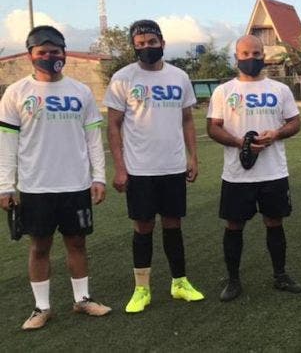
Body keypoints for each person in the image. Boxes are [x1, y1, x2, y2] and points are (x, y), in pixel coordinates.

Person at [0, 25, 111, 330]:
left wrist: (98, 178)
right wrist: (6, 186)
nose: (49, 56)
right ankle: (41, 307)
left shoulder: (80, 91)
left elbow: (92, 138)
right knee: (39, 246)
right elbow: (6, 143)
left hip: (75, 184)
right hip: (36, 186)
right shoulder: (16, 92)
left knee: (77, 243)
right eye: (42, 52)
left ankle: (83, 299)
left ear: (63, 52)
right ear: (30, 55)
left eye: (55, 51)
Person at [104, 20, 203, 313]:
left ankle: (180, 282)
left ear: (162, 41)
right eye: (140, 44)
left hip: (172, 166)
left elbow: (187, 120)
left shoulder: (179, 76)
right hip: (139, 169)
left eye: (151, 42)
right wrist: (120, 168)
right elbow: (113, 125)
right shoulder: (123, 78)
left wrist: (192, 157)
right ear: (134, 46)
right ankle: (142, 289)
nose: (146, 47)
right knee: (143, 226)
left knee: (173, 224)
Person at [207, 35, 301, 300]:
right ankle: (233, 280)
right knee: (234, 225)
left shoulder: (279, 90)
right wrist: (239, 142)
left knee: (275, 222)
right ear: (237, 56)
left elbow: (295, 122)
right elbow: (212, 127)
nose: (252, 59)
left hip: (273, 172)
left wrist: (277, 134)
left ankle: (280, 275)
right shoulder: (224, 91)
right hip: (237, 174)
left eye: (257, 54)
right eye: (246, 54)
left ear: (264, 56)